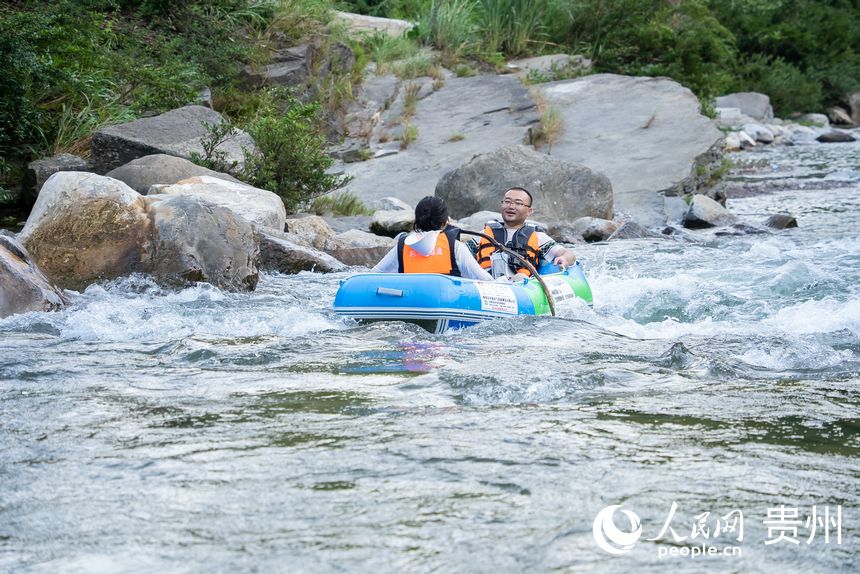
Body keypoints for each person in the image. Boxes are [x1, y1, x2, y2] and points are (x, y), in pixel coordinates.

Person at [372, 196, 494, 281]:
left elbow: (372, 275)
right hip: (447, 304)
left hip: (410, 304)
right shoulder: (455, 247)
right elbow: (486, 280)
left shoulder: (402, 247)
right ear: (445, 222)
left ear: (417, 221)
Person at [472, 186, 576, 281]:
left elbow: (568, 254)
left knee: (521, 277)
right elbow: (463, 253)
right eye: (507, 201)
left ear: (529, 211)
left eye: (518, 203)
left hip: (518, 285)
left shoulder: (538, 237)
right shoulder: (484, 235)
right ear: (501, 204)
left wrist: (565, 259)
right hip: (485, 282)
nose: (511, 206)